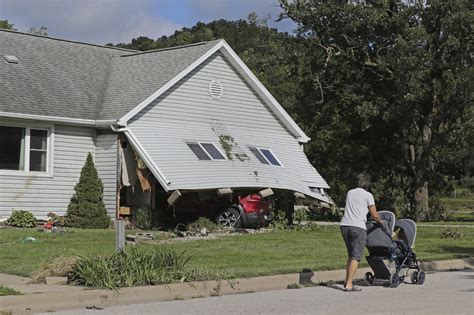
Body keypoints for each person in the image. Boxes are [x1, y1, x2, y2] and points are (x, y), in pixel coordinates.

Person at [340, 173, 383, 291]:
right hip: (358, 226)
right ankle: (349, 284)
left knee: (351, 255)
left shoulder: (350, 192)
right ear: (368, 184)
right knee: (356, 256)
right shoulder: (368, 195)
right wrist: (381, 222)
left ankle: (346, 281)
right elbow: (374, 215)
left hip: (344, 225)